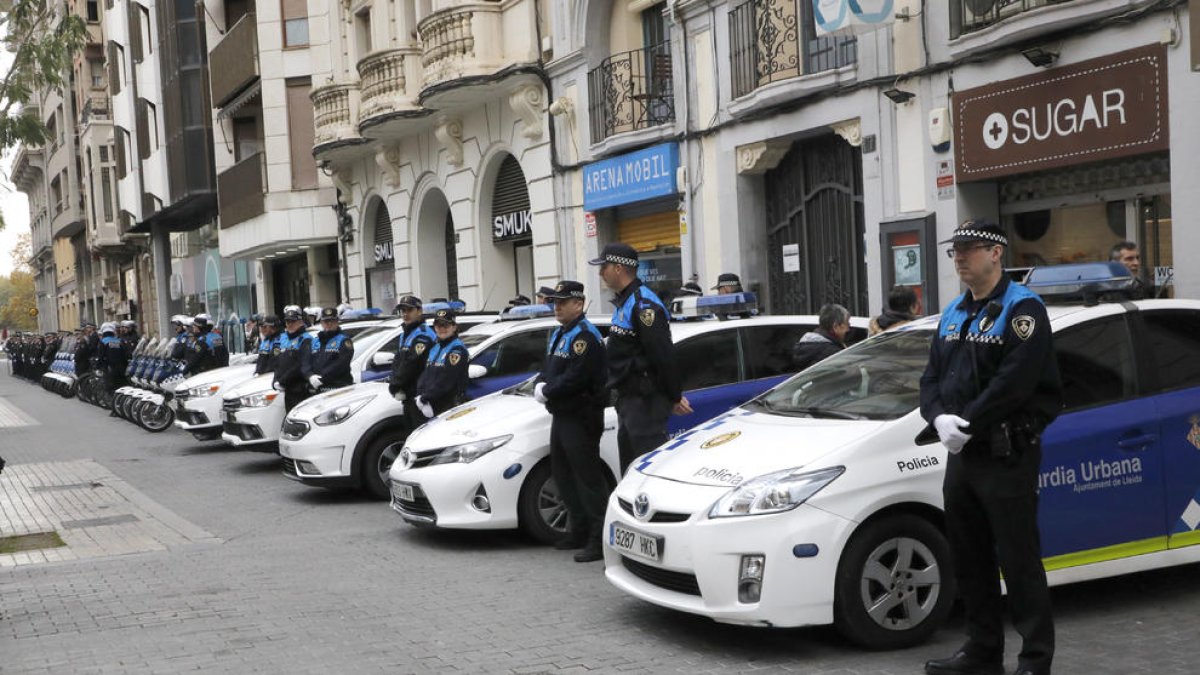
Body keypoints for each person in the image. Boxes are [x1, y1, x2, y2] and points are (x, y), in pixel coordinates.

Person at [920, 221, 1062, 675]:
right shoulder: (953, 313)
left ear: (996, 253)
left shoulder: (1022, 309)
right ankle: (982, 651)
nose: (960, 258)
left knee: (1018, 559)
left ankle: (1035, 659)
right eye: (955, 251)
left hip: (1006, 451)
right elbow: (931, 378)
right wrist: (937, 416)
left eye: (969, 250)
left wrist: (969, 422)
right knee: (970, 556)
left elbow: (1015, 383)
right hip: (963, 454)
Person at [590, 242, 690, 474]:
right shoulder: (625, 302)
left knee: (647, 473)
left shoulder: (644, 306)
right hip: (629, 401)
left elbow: (662, 356)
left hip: (645, 403)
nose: (600, 273)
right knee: (631, 470)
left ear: (618, 268)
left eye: (603, 267)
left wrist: (673, 396)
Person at [533, 281, 609, 562]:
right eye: (555, 302)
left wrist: (548, 390)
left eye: (563, 302)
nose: (557, 307)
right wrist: (540, 384)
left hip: (582, 415)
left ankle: (598, 539)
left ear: (578, 303)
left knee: (587, 479)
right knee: (563, 474)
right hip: (562, 415)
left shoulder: (585, 336)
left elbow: (577, 376)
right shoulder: (559, 334)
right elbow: (549, 368)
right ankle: (578, 529)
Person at [387, 295, 437, 433]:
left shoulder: (423, 334)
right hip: (408, 394)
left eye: (409, 310)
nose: (405, 314)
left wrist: (395, 384)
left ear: (419, 311)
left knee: (421, 435)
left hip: (420, 395)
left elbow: (412, 364)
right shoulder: (406, 333)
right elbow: (398, 360)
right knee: (411, 434)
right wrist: (394, 380)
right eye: (402, 310)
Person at [413, 308, 469, 419]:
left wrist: (425, 398)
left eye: (446, 325)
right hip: (430, 403)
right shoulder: (436, 346)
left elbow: (446, 380)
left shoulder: (457, 350)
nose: (442, 329)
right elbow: (426, 373)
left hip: (448, 406)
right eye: (438, 325)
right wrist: (420, 394)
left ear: (454, 327)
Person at [273, 309, 317, 412]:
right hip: (287, 388)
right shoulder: (281, 339)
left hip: (300, 388)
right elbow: (276, 361)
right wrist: (275, 380)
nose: (290, 324)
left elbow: (301, 364)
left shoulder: (306, 339)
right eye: (288, 322)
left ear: (300, 322)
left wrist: (282, 381)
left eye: (293, 322)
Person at [304, 307, 355, 393]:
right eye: (326, 321)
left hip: (337, 387)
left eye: (332, 321)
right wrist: (310, 375)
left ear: (337, 322)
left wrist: (322, 377)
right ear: (321, 322)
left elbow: (341, 364)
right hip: (317, 387)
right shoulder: (315, 340)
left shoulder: (344, 340)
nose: (329, 323)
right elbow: (305, 361)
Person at [792, 303, 850, 371]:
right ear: (835, 326)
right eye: (847, 324)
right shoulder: (832, 353)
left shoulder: (805, 345)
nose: (848, 329)